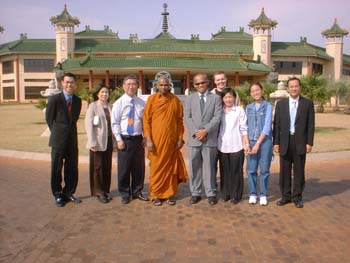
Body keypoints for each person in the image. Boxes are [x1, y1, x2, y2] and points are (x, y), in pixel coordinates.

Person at [143, 73, 188, 206]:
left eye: (166, 85)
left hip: (171, 142)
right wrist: (148, 139)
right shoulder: (152, 100)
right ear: (157, 86)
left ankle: (169, 194)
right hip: (156, 142)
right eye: (161, 85)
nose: (163, 87)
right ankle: (155, 194)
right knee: (156, 168)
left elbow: (180, 121)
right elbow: (146, 121)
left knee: (170, 168)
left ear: (170, 86)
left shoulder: (175, 101)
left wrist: (181, 138)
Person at [273, 77, 315, 208]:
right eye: (291, 86)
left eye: (296, 86)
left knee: (299, 171)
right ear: (288, 88)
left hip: (300, 142)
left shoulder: (307, 103)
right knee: (284, 171)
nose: (294, 88)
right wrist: (276, 142)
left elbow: (311, 124)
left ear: (300, 87)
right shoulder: (281, 104)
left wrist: (309, 142)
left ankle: (297, 197)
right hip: (285, 141)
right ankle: (285, 196)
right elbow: (277, 125)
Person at [184, 73, 222, 205]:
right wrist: (197, 132)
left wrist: (205, 130)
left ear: (208, 83)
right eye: (197, 84)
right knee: (194, 167)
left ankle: (211, 192)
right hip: (195, 139)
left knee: (209, 167)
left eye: (202, 83)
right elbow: (187, 117)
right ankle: (195, 192)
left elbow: (217, 117)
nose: (200, 85)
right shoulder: (189, 99)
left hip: (209, 138)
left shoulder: (216, 98)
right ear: (194, 85)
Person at [45, 72, 82, 207]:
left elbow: (74, 119)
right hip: (58, 140)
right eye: (67, 82)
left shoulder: (77, 101)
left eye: (72, 82)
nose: (69, 85)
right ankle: (58, 194)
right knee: (56, 168)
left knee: (72, 167)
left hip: (72, 140)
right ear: (62, 83)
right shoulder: (55, 99)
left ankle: (69, 192)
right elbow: (49, 119)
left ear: (75, 84)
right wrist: (58, 132)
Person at [111, 74, 149, 204]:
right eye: (128, 84)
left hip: (138, 139)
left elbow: (145, 121)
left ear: (137, 86)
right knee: (124, 168)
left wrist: (145, 136)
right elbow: (115, 122)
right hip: (125, 139)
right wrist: (118, 139)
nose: (131, 86)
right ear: (123, 86)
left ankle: (137, 191)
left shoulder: (141, 103)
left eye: (134, 84)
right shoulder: (118, 103)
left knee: (138, 168)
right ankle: (125, 193)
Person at [218, 88, 249, 204]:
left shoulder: (239, 110)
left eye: (230, 97)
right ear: (223, 99)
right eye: (226, 97)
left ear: (234, 98)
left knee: (236, 171)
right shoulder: (220, 111)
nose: (228, 99)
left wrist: (246, 144)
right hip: (222, 146)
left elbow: (243, 128)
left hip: (237, 146)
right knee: (224, 171)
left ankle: (236, 195)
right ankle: (226, 193)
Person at [246, 82, 273, 206]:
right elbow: (245, 126)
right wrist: (247, 143)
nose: (255, 93)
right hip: (251, 141)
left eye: (257, 90)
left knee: (264, 170)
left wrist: (257, 144)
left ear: (262, 91)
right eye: (253, 91)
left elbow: (267, 127)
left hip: (265, 142)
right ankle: (252, 193)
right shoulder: (248, 107)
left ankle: (263, 194)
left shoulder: (268, 106)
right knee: (251, 170)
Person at [85, 86, 113, 204]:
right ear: (98, 94)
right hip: (97, 142)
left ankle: (105, 191)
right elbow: (88, 124)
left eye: (106, 92)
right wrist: (92, 142)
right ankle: (98, 192)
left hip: (109, 141)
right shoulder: (93, 106)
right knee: (97, 168)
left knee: (107, 167)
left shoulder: (111, 106)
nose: (104, 94)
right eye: (102, 92)